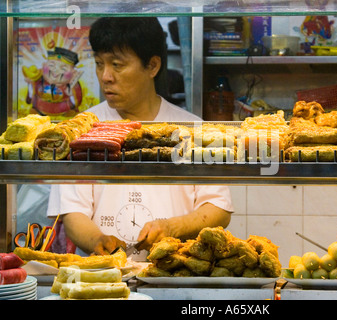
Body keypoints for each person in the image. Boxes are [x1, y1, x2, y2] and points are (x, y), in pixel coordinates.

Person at [46, 17, 234, 260]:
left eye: (117, 65)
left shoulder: (195, 129)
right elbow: (72, 212)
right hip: (107, 276)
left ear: (152, 66)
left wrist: (171, 228)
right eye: (99, 64)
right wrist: (98, 241)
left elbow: (219, 208)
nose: (105, 76)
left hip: (174, 272)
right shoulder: (82, 131)